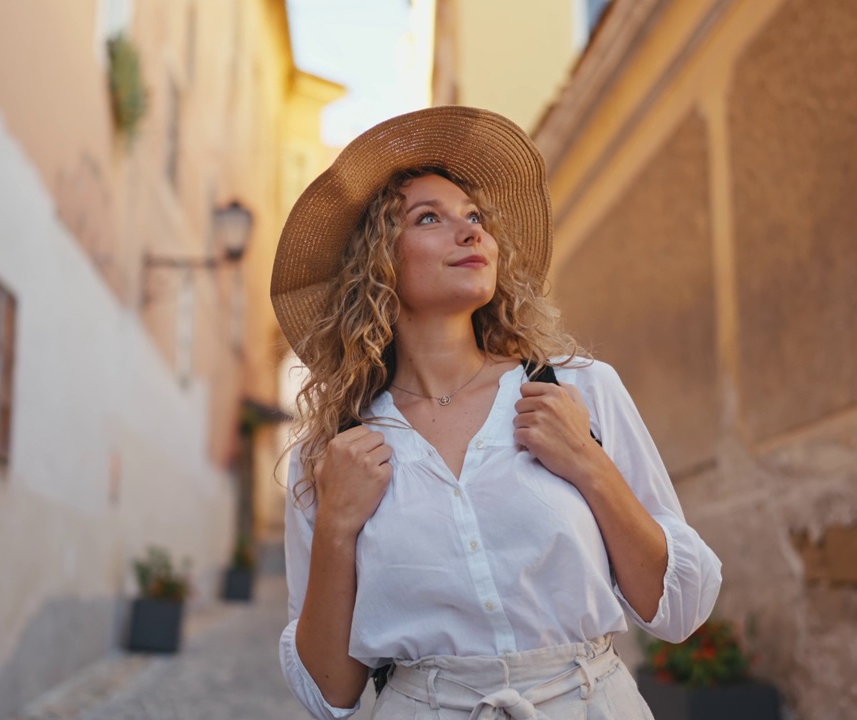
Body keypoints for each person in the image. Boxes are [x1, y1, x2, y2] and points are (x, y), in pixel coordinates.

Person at [271, 106, 722, 720]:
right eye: (429, 218)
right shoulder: (332, 454)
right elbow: (331, 695)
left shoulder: (577, 393)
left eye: (475, 218)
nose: (470, 233)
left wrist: (588, 463)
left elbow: (677, 608)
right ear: (376, 264)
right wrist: (336, 526)